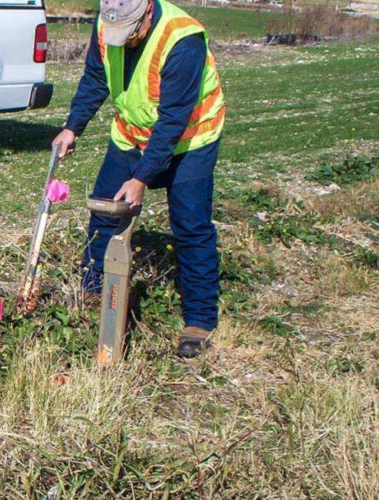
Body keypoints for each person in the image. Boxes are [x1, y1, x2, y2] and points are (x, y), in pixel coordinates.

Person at [51, 0, 225, 358]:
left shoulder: (182, 40)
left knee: (190, 226)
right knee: (104, 213)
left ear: (147, 10)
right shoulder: (107, 22)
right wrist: (72, 127)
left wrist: (142, 178)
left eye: (130, 34)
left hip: (190, 140)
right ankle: (94, 294)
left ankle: (199, 321)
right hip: (131, 134)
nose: (124, 41)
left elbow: (173, 119)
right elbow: (96, 79)